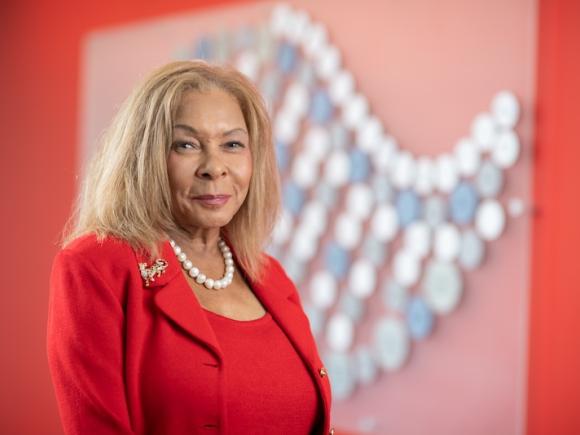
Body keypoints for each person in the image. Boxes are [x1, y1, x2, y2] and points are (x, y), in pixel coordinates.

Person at [47, 60, 333, 435]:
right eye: (186, 145)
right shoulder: (97, 268)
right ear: (145, 158)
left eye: (232, 144)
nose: (214, 167)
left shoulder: (270, 275)